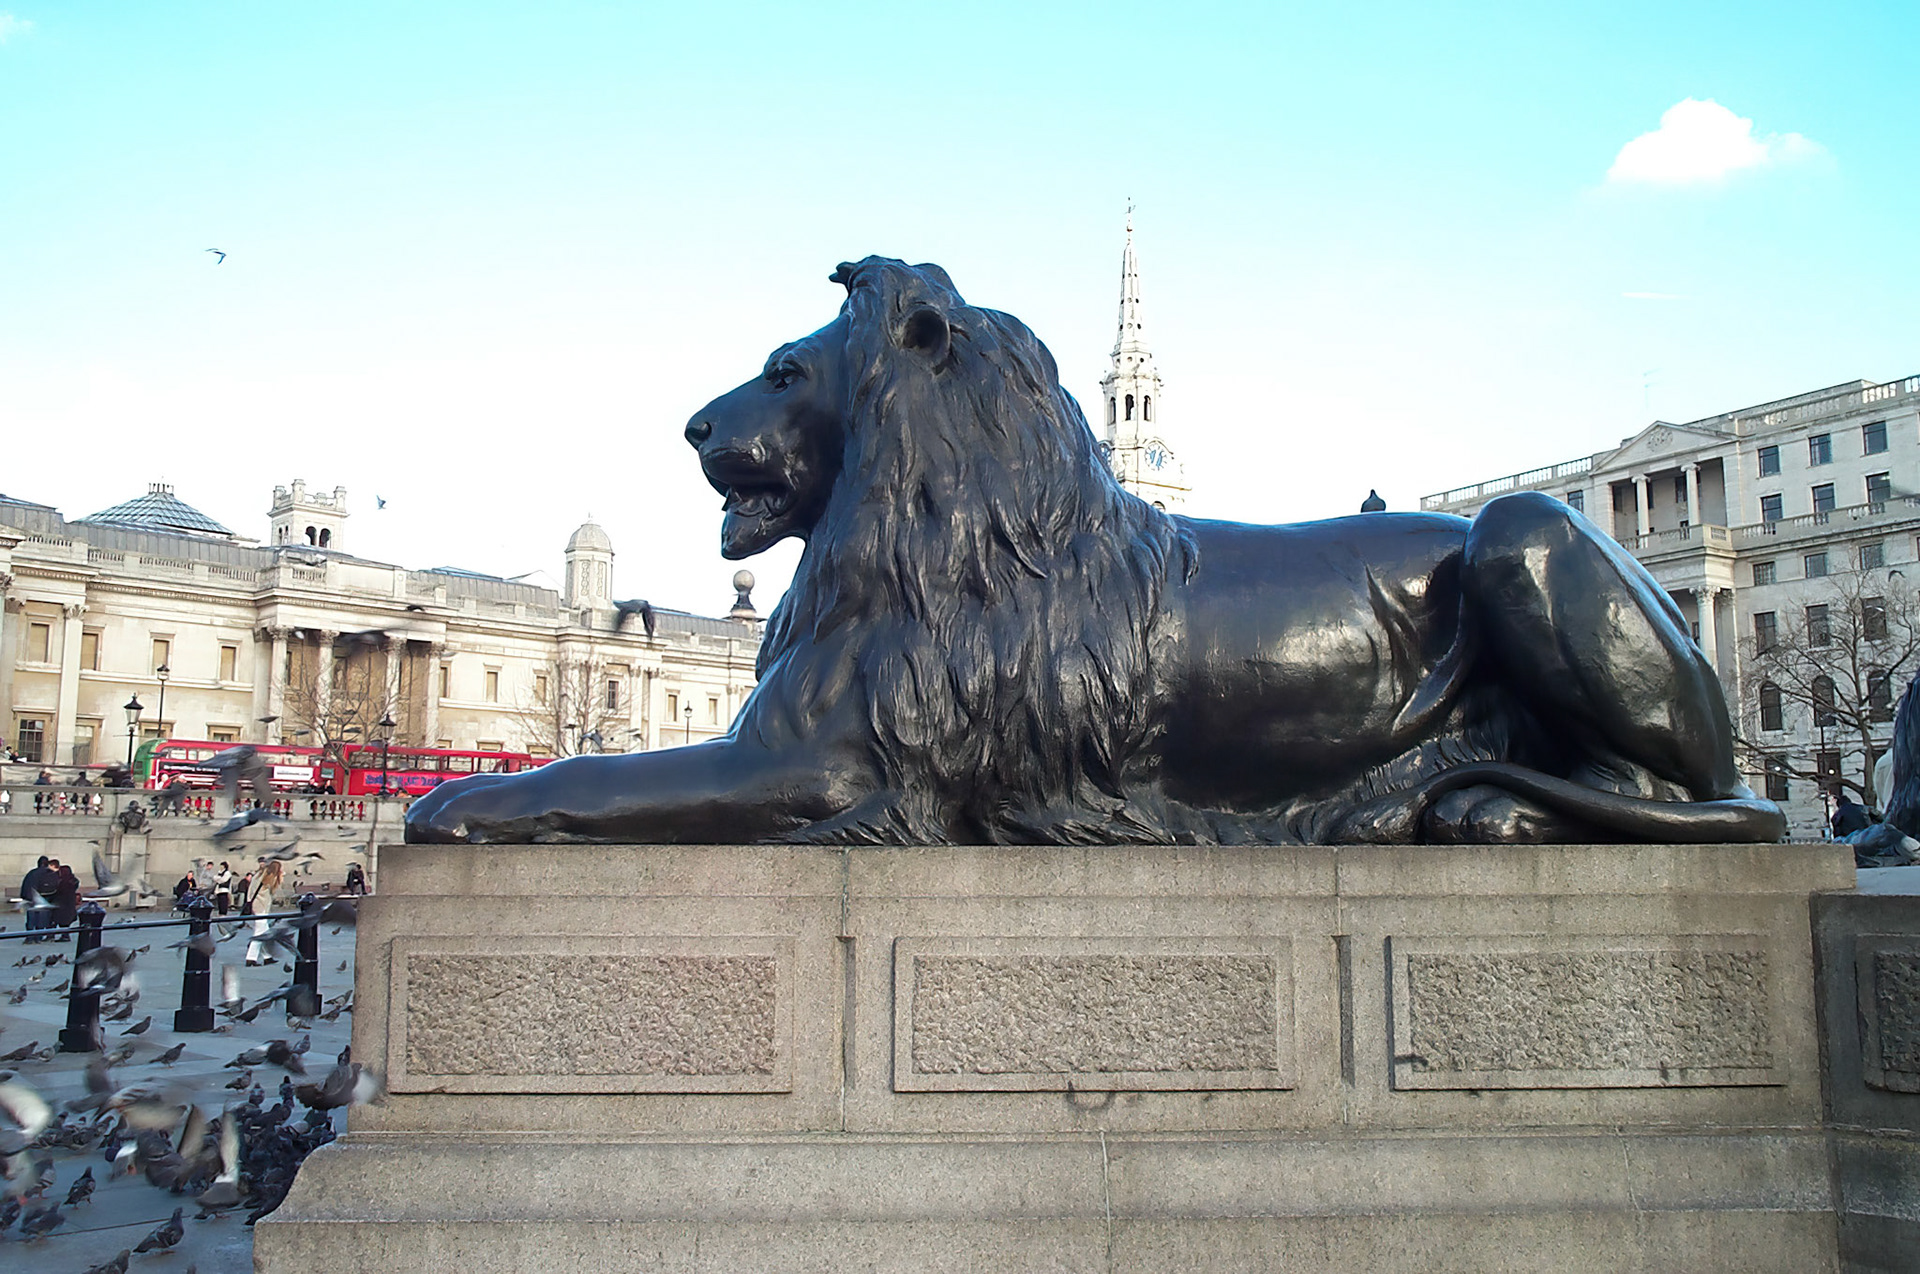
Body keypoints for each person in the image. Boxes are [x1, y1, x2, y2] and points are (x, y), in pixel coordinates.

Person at [244, 860, 284, 966]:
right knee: (259, 933)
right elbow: (273, 891)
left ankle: (267, 957)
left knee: (265, 933)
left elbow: (251, 889)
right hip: (261, 907)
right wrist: (280, 878)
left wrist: (249, 901)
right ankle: (250, 958)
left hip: (255, 904)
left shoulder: (260, 874)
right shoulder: (269, 877)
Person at [19, 855, 57, 942]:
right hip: (42, 898)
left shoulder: (32, 873)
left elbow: (26, 885)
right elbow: (52, 887)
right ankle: (38, 937)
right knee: (41, 918)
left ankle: (30, 937)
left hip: (30, 898)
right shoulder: (49, 873)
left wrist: (24, 897)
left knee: (31, 919)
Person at [51, 862, 81, 930]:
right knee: (65, 921)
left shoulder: (62, 881)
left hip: (60, 903)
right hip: (69, 903)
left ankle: (52, 935)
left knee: (55, 920)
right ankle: (65, 935)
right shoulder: (73, 881)